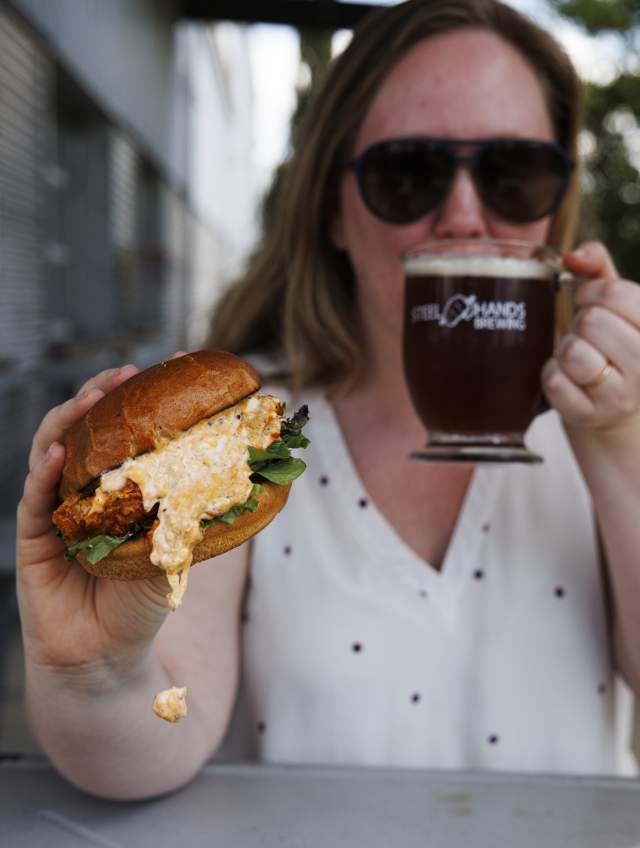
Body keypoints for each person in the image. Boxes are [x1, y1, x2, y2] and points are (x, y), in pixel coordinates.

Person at [16, 0, 640, 799]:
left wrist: (621, 440)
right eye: (406, 172)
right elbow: (152, 745)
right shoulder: (243, 439)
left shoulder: (610, 421)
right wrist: (95, 670)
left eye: (514, 173)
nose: (460, 215)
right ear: (334, 211)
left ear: (557, 202)